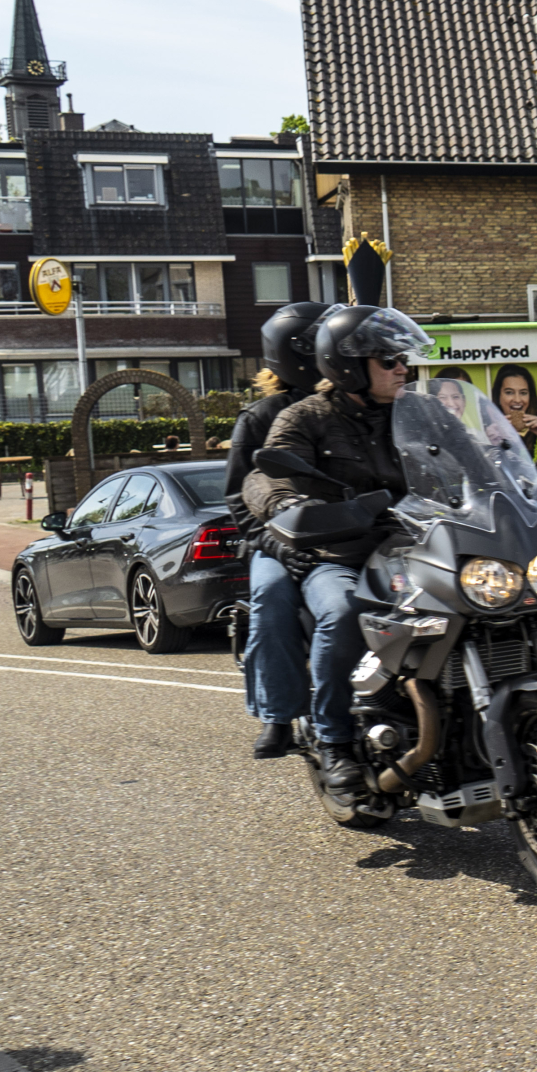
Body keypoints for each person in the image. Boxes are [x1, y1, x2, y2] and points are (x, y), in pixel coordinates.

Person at [244, 304, 432, 802]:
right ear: (350, 366)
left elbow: (469, 463)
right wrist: (291, 506)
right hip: (338, 554)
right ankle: (335, 741)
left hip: (414, 550)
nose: (402, 368)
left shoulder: (419, 414)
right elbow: (265, 477)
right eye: (388, 359)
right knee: (345, 611)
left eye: (402, 359)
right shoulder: (304, 417)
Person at [224, 303, 326, 759]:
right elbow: (237, 496)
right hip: (280, 541)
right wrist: (272, 545)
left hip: (348, 533)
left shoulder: (346, 405)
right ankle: (279, 715)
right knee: (272, 597)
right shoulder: (259, 419)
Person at [492, 363, 537, 439]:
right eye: (509, 392)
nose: (517, 400)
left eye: (523, 393)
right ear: (498, 396)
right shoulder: (488, 427)